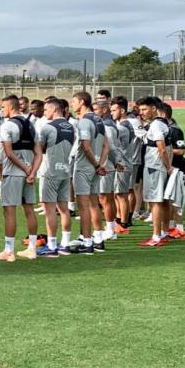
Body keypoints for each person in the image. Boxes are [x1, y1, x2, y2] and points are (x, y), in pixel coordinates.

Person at [0, 95, 41, 261]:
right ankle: (32, 248)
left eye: (3, 107)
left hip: (13, 173)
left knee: (9, 211)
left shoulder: (7, 125)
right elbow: (38, 152)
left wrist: (25, 168)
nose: (2, 110)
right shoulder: (31, 125)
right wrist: (33, 171)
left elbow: (8, 152)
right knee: (29, 210)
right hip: (28, 174)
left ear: (10, 107)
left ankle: (9, 251)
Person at [69, 91, 109, 254]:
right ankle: (98, 238)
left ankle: (86, 242)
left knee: (83, 206)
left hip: (85, 166)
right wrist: (100, 164)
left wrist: (95, 164)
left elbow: (85, 147)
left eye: (74, 101)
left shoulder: (85, 121)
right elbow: (106, 145)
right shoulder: (99, 120)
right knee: (94, 203)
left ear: (82, 102)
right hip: (95, 166)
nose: (72, 105)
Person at [35, 98, 75, 257]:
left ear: (53, 109)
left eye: (46, 110)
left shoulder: (48, 127)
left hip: (51, 171)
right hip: (65, 170)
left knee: (49, 209)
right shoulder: (71, 127)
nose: (44, 113)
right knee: (64, 209)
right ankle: (65, 244)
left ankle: (51, 246)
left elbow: (40, 149)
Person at [137, 97, 172, 247]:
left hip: (154, 167)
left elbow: (162, 148)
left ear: (153, 109)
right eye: (140, 110)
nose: (142, 113)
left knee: (155, 201)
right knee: (163, 201)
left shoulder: (156, 125)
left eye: (144, 109)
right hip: (160, 167)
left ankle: (156, 236)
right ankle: (164, 232)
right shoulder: (163, 124)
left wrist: (167, 166)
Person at [95, 97, 123, 242]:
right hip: (106, 165)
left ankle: (110, 229)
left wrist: (115, 162)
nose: (94, 113)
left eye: (96, 110)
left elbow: (111, 147)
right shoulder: (105, 124)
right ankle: (109, 228)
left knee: (105, 198)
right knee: (105, 197)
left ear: (104, 110)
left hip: (106, 166)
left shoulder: (107, 126)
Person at [111, 97, 138, 233]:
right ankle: (120, 219)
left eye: (114, 110)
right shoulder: (127, 125)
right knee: (119, 194)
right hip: (125, 162)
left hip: (122, 163)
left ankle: (123, 222)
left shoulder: (122, 127)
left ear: (122, 110)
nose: (112, 113)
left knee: (121, 194)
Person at [163, 104, 185, 240]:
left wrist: (163, 149)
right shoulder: (165, 128)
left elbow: (181, 150)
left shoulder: (175, 130)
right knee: (168, 200)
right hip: (170, 169)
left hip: (178, 169)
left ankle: (180, 228)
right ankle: (172, 226)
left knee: (176, 200)